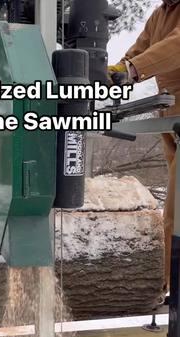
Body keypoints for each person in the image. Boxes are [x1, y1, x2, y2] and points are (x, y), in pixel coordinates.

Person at [108, 0, 180, 289]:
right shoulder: (161, 14)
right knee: (171, 214)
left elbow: (176, 45)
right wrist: (112, 75)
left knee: (176, 209)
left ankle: (174, 289)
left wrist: (133, 68)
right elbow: (138, 51)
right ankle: (169, 285)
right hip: (170, 111)